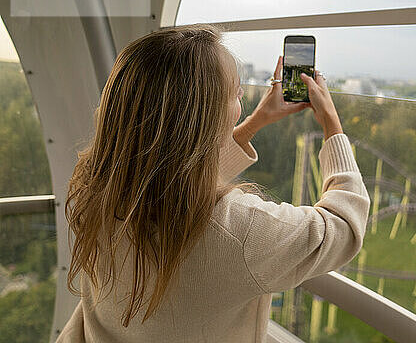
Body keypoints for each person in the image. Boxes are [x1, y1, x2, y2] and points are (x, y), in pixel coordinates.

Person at [56, 24, 371, 342]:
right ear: (203, 118)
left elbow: (171, 176)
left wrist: (253, 124)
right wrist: (332, 124)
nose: (241, 103)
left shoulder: (95, 190)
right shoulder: (242, 231)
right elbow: (343, 227)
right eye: (236, 95)